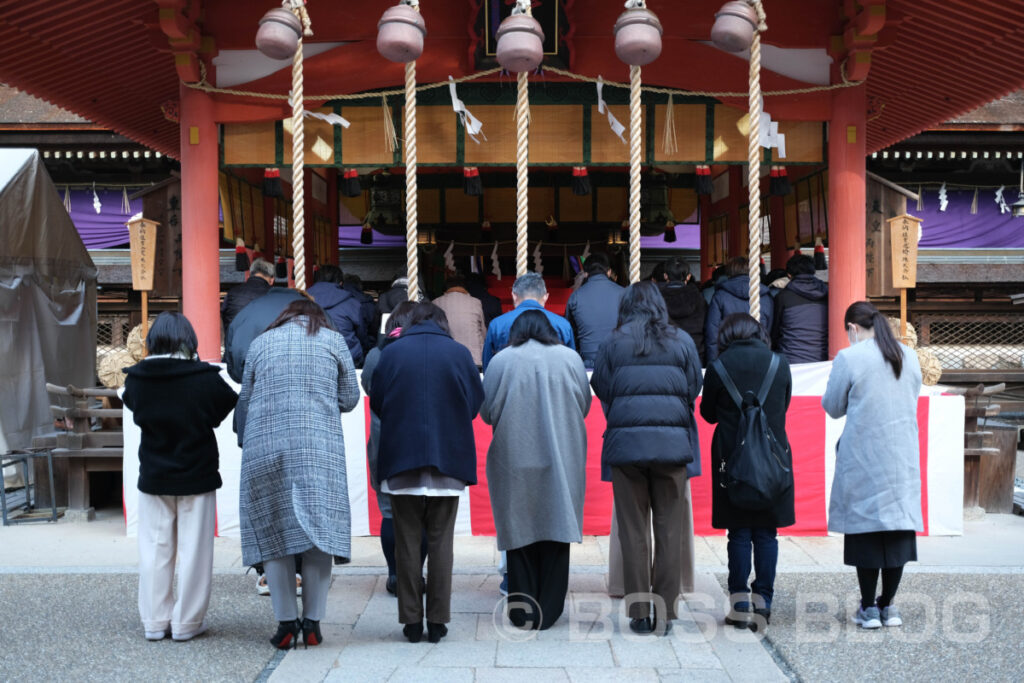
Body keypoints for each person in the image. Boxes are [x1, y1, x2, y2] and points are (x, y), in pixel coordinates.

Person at [237, 299, 360, 649]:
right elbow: (350, 397)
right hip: (318, 445)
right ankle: (313, 625)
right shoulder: (333, 341)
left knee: (275, 532)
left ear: (283, 316)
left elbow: (245, 398)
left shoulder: (261, 342)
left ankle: (286, 622)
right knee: (318, 531)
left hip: (266, 445)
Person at [590, 281, 702, 636]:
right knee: (670, 529)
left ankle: (639, 612)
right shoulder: (681, 340)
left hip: (626, 445)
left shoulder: (612, 341)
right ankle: (666, 612)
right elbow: (693, 387)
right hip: (672, 447)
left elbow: (602, 388)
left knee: (633, 529)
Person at [370, 303, 484, 644]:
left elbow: (377, 401)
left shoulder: (391, 353)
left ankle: (410, 621)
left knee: (406, 544)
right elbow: (475, 401)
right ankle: (437, 620)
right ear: (441, 324)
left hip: (401, 458)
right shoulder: (459, 353)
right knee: (441, 543)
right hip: (447, 459)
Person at [122, 312, 237, 642]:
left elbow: (132, 405)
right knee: (194, 552)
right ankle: (187, 622)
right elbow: (224, 406)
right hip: (196, 474)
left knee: (155, 551)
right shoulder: (203, 377)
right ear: (189, 341)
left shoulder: (137, 378)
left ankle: (155, 622)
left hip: (155, 475)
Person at [480, 310, 591, 630]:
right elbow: (584, 404)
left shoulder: (500, 361)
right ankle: (550, 608)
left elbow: (486, 413)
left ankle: (521, 609)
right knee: (557, 530)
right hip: (562, 453)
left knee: (519, 531)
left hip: (513, 454)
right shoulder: (570, 359)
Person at [822, 301, 923, 630]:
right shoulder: (908, 355)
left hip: (864, 456)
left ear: (852, 328)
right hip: (901, 456)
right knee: (897, 531)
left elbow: (833, 407)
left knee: (865, 531)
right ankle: (889, 606)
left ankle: (868, 608)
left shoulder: (850, 357)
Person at [700, 313, 794, 631]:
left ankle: (739, 601)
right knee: (767, 532)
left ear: (726, 336)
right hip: (772, 457)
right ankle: (763, 601)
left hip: (731, 457)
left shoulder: (718, 366)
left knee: (738, 532)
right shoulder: (779, 363)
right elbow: (784, 404)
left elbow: (708, 414)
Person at [360, 300, 426, 595]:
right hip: (420, 437)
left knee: (389, 509)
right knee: (420, 510)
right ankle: (415, 573)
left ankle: (395, 573)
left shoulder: (377, 354)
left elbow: (367, 386)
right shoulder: (427, 351)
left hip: (384, 435)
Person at [481, 272, 574, 371]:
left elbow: (488, 366)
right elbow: (571, 364)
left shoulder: (497, 324)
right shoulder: (563, 324)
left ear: (514, 296)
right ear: (546, 296)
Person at [224, 285, 304, 383]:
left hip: (258, 378)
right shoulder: (316, 311)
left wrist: (241, 376)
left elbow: (234, 351)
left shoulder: (249, 309)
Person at [704, 257, 774, 362]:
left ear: (729, 272)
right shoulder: (765, 297)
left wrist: (713, 363)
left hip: (727, 357)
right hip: (758, 356)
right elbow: (768, 330)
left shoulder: (720, 296)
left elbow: (712, 334)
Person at [564, 252, 625, 368]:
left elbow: (570, 331)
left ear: (586, 274)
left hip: (588, 360)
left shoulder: (576, 296)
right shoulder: (624, 293)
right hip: (619, 358)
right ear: (609, 272)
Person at [771, 254, 828, 364]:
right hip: (822, 360)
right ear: (813, 271)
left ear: (789, 275)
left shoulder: (783, 297)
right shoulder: (827, 293)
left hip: (791, 359)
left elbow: (775, 332)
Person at [307, 264, 365, 367]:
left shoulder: (301, 299)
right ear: (341, 283)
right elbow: (361, 334)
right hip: (347, 358)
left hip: (312, 358)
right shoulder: (352, 303)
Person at [658, 256, 707, 364]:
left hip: (663, 352)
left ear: (665, 275)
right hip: (694, 350)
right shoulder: (698, 298)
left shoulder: (656, 298)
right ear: (688, 276)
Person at [432, 271, 488, 367]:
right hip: (473, 358)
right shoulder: (475, 302)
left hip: (444, 359)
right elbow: (483, 333)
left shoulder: (435, 303)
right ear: (464, 287)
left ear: (446, 287)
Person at [221, 257, 276, 334]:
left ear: (249, 276)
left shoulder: (232, 292)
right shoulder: (273, 295)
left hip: (233, 341)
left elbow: (224, 313)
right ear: (272, 280)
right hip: (262, 343)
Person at [343, 273, 377, 357]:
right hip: (364, 345)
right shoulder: (367, 301)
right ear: (359, 285)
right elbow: (373, 326)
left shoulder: (339, 301)